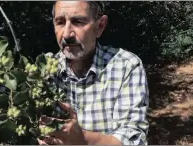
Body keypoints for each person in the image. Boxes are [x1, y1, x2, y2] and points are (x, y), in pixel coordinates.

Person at [37, 1, 149, 145]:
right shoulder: (44, 70)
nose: (66, 34)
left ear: (100, 26)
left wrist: (82, 139)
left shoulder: (126, 66)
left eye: (77, 22)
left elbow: (132, 139)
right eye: (60, 22)